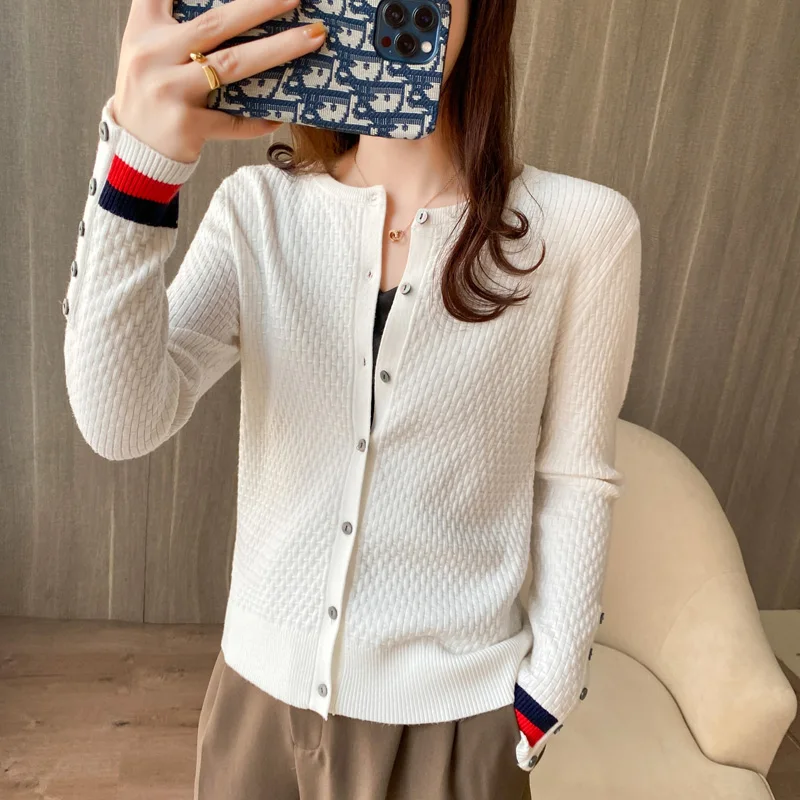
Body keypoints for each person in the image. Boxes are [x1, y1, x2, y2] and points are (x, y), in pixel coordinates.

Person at [62, 0, 642, 797]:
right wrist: (138, 168)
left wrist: (548, 692)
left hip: (455, 724)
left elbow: (575, 474)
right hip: (257, 704)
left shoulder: (583, 230)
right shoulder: (258, 211)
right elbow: (120, 421)